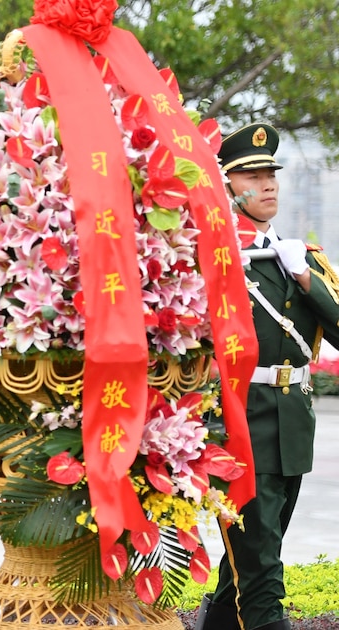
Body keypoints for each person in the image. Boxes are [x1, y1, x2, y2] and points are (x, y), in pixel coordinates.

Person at [197, 124, 339, 630]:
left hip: (293, 427)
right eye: (253, 175)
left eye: (272, 174)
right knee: (261, 571)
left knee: (245, 570)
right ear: (230, 186)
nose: (268, 184)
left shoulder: (302, 257)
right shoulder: (216, 261)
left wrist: (304, 277)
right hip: (238, 426)